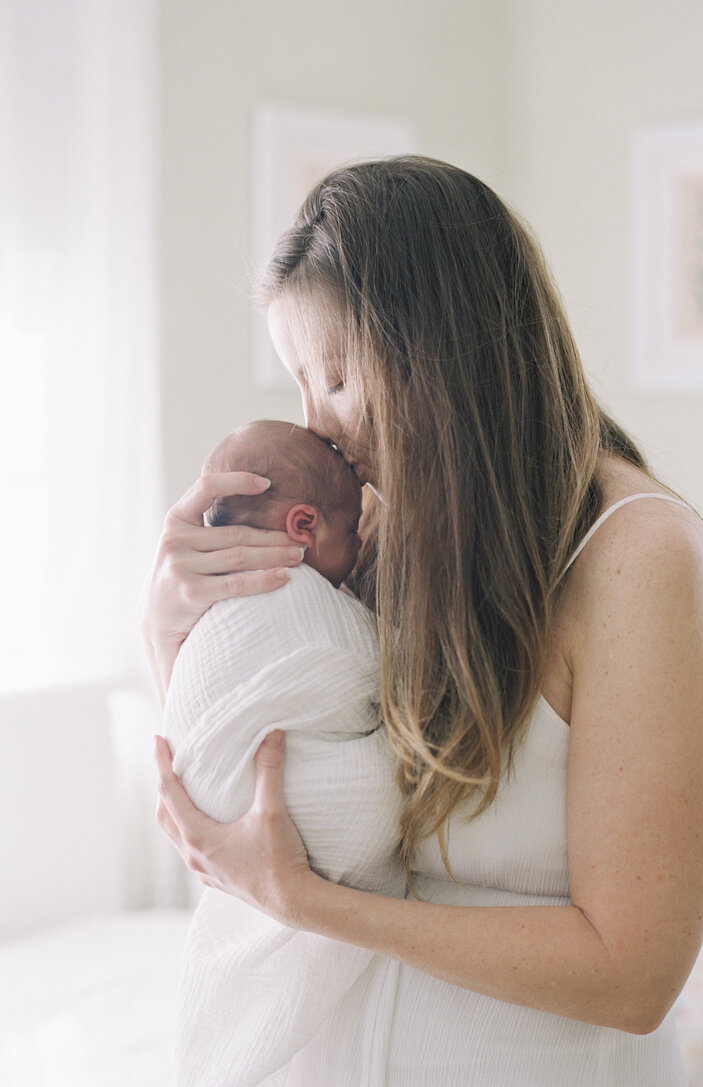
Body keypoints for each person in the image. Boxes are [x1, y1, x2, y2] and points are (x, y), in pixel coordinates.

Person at [144, 156, 703, 1086]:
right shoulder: (379, 529)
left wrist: (307, 903)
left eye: (333, 377)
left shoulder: (640, 559)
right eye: (298, 383)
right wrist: (173, 631)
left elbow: (635, 973)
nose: (317, 430)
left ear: (441, 351)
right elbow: (264, 793)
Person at [162, 419, 405, 1084]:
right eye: (351, 533)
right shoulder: (293, 599)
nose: (357, 555)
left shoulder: (214, 612)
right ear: (303, 527)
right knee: (375, 796)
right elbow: (368, 672)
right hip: (252, 812)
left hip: (228, 816)